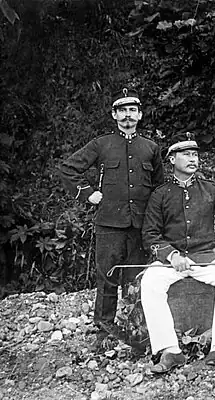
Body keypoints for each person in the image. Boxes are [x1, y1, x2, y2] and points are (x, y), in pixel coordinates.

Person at [140, 132, 215, 373]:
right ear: (172, 159)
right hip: (171, 263)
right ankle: (170, 351)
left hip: (206, 259)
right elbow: (150, 234)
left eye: (195, 155)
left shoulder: (210, 189)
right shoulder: (160, 194)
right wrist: (171, 255)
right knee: (150, 283)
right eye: (186, 154)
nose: (192, 159)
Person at [59, 88, 164, 334]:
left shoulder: (150, 148)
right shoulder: (101, 144)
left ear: (140, 115)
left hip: (140, 225)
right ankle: (105, 326)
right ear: (114, 115)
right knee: (107, 276)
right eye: (122, 111)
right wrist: (87, 193)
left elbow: (159, 188)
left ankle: (134, 326)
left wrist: (156, 220)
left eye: (132, 110)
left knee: (135, 277)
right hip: (109, 223)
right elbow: (68, 168)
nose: (128, 115)